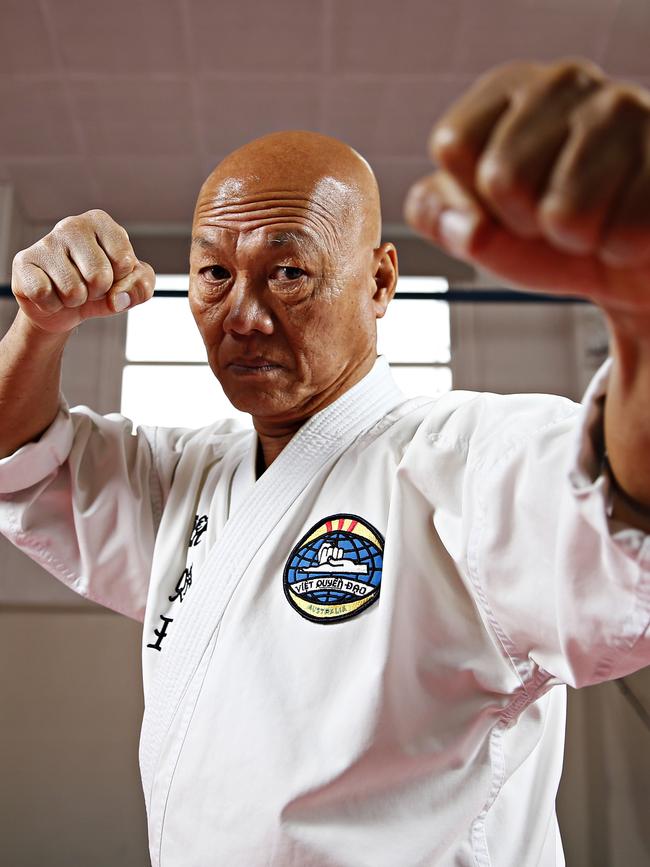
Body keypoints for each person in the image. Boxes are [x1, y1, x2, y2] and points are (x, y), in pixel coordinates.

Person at [1, 57, 649, 866]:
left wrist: (641, 319)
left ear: (379, 281)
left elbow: (616, 510)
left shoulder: (464, 463)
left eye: (288, 271)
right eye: (212, 272)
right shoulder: (187, 478)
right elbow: (20, 455)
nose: (243, 315)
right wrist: (40, 327)